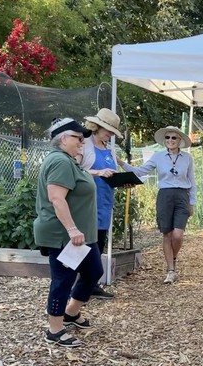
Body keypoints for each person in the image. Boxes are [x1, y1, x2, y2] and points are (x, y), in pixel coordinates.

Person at [34, 118, 103, 348]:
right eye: (78, 138)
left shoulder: (69, 161)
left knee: (93, 271)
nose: (82, 142)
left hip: (81, 236)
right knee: (63, 280)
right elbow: (56, 198)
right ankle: (54, 329)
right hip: (65, 235)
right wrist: (72, 229)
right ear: (63, 138)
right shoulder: (59, 162)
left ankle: (71, 312)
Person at [118, 126, 196, 284]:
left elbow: (192, 181)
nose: (170, 140)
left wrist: (192, 202)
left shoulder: (187, 158)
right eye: (167, 138)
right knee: (167, 234)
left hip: (182, 196)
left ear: (180, 140)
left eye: (174, 138)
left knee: (178, 235)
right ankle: (171, 270)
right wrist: (120, 162)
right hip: (165, 196)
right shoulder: (158, 156)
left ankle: (173, 258)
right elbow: (140, 171)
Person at [81, 108, 124, 299]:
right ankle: (79, 286)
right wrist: (98, 172)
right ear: (96, 126)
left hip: (105, 201)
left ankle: (92, 285)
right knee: (85, 245)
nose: (109, 135)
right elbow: (75, 171)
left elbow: (112, 174)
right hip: (87, 202)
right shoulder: (84, 146)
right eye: (107, 130)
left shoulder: (109, 150)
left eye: (112, 132)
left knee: (99, 243)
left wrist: (123, 181)